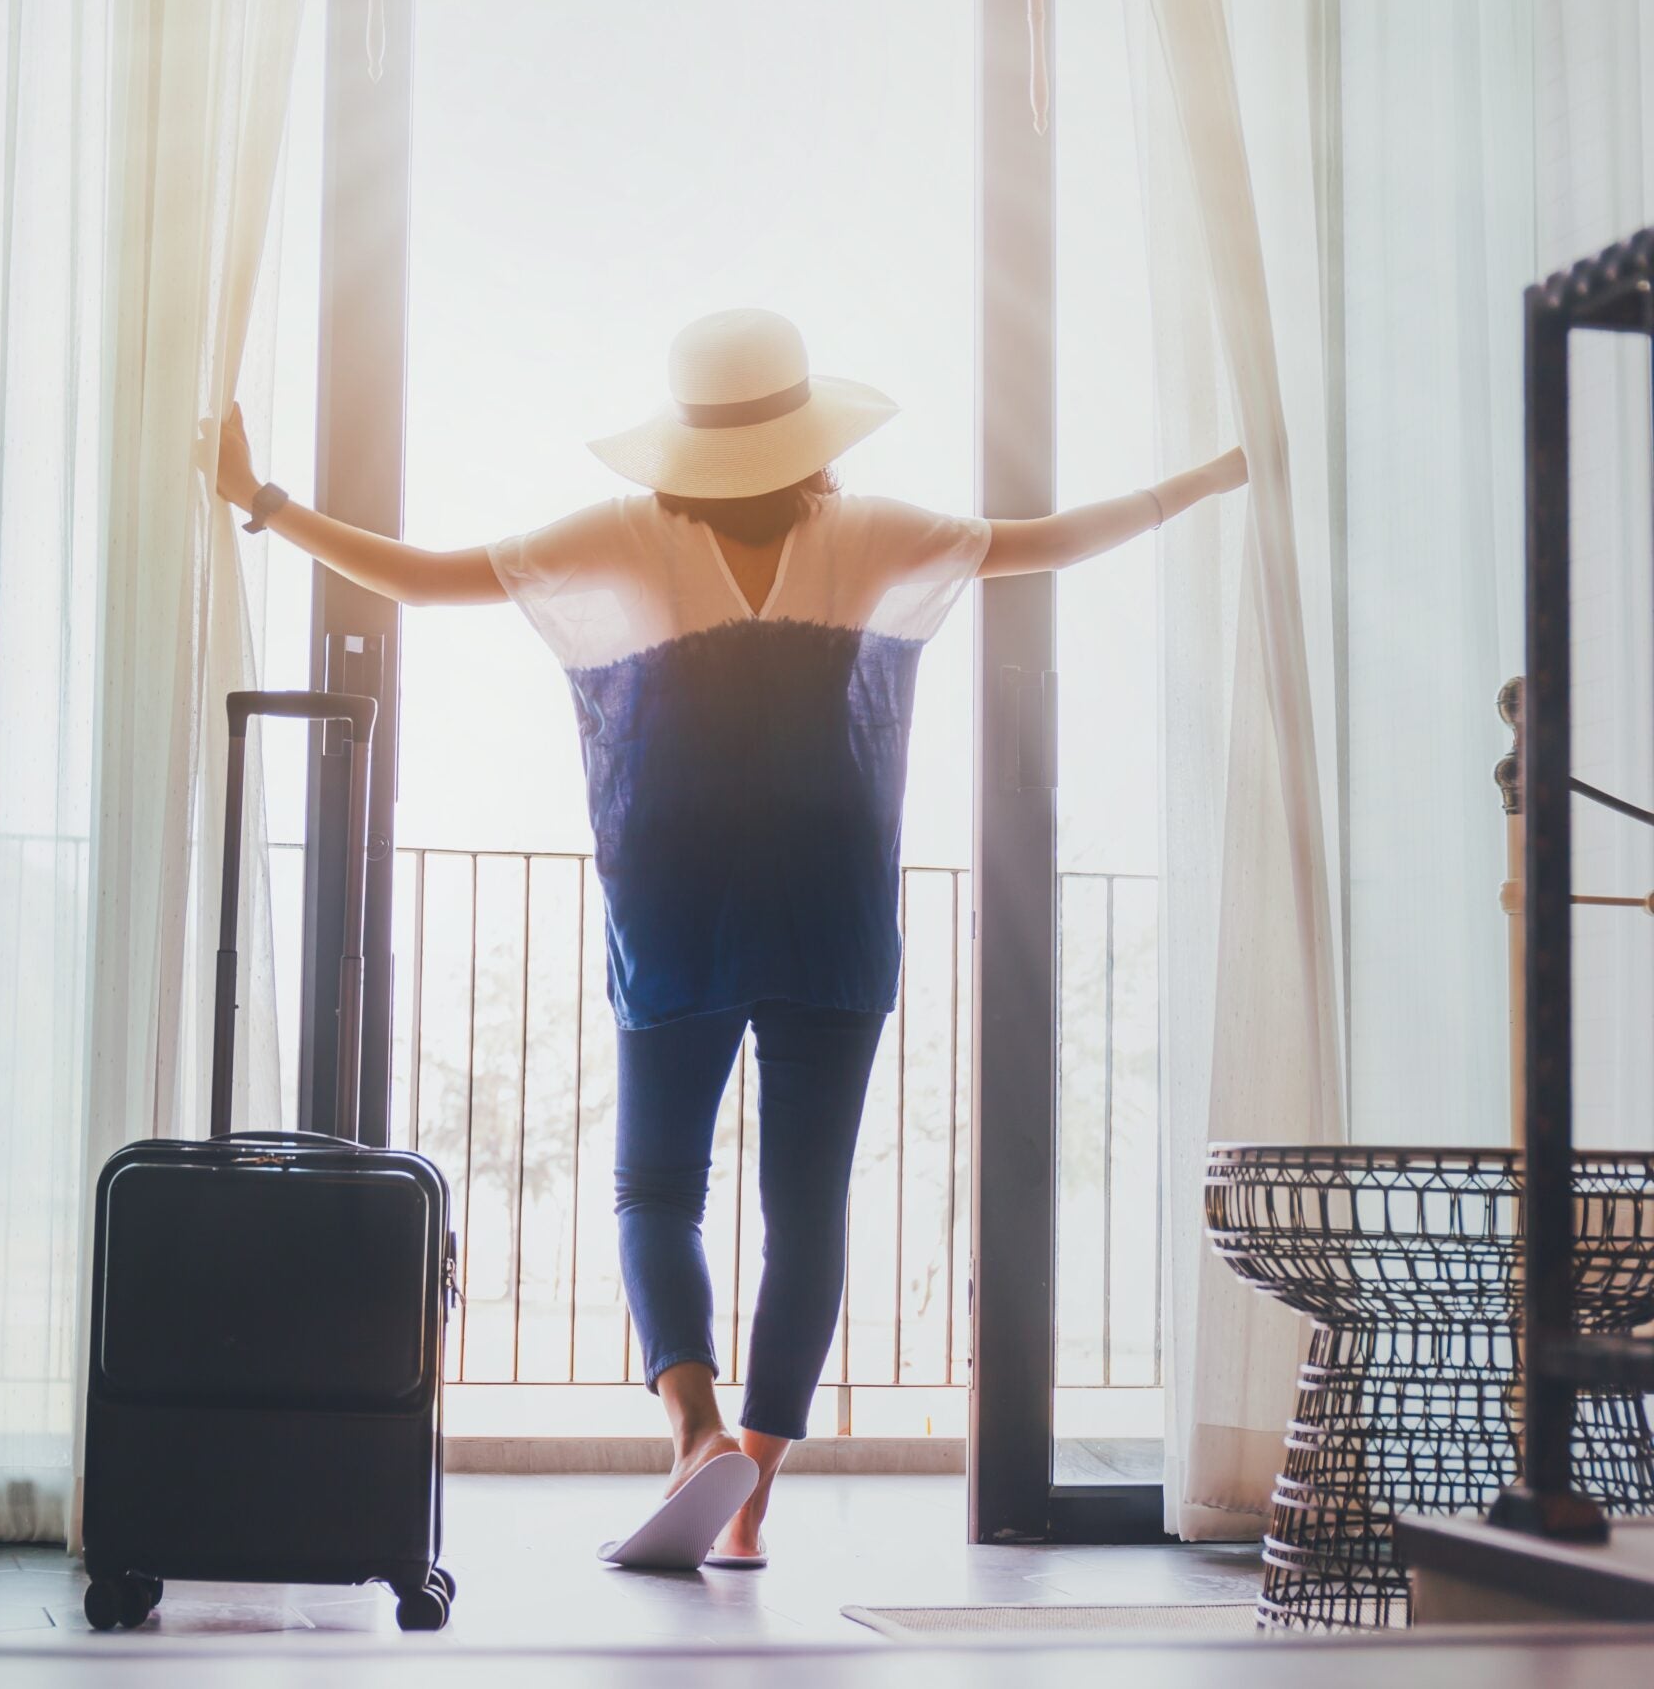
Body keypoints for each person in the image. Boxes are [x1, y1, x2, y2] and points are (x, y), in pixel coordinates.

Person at [209, 307, 1247, 1570]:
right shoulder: (868, 533)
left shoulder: (632, 534)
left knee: (657, 1189)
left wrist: (259, 496)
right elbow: (1057, 542)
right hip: (833, 913)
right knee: (805, 1208)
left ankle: (693, 1429)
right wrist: (1212, 474)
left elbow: (426, 575)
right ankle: (750, 1496)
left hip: (679, 906)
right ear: (807, 429)